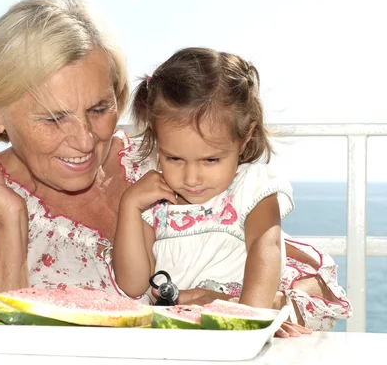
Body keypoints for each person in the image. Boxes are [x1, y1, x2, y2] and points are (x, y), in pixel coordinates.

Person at [0, 0, 349, 336]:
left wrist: (241, 309)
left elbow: (311, 277)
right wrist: (9, 222)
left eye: (99, 108)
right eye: (53, 118)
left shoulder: (165, 161)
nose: (85, 140)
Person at [112, 47, 352, 329]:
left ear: (245, 138)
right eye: (174, 158)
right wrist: (130, 205)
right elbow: (132, 284)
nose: (191, 178)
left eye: (211, 160)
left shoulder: (252, 188)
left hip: (239, 318)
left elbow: (267, 249)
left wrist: (250, 319)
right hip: (178, 331)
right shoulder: (155, 201)